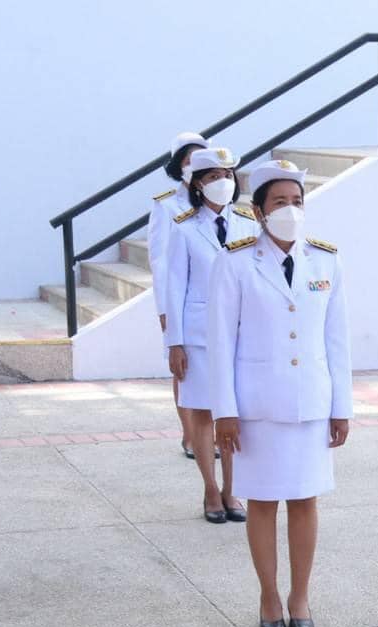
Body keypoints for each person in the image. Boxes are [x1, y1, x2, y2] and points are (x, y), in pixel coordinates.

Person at [210, 161, 349, 627]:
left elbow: (337, 341)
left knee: (306, 500)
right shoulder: (234, 262)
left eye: (297, 201)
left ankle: (300, 595)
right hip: (257, 408)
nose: (290, 210)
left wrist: (342, 407)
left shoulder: (325, 260)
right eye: (280, 202)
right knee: (264, 502)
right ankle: (269, 594)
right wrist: (224, 412)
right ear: (258, 211)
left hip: (311, 402)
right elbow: (221, 342)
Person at [163, 145, 257, 524]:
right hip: (199, 334)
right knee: (203, 412)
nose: (223, 182)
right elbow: (174, 286)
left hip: (240, 335)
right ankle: (210, 489)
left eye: (228, 175)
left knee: (232, 413)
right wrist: (175, 342)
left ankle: (233, 489)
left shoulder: (249, 224)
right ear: (199, 184)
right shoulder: (184, 227)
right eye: (214, 177)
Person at [150, 131, 207, 461]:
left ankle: (207, 432)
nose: (195, 166)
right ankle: (190, 435)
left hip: (210, 302)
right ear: (178, 166)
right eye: (189, 160)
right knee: (182, 369)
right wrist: (164, 309)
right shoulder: (166, 205)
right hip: (178, 300)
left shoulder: (219, 202)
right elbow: (160, 262)